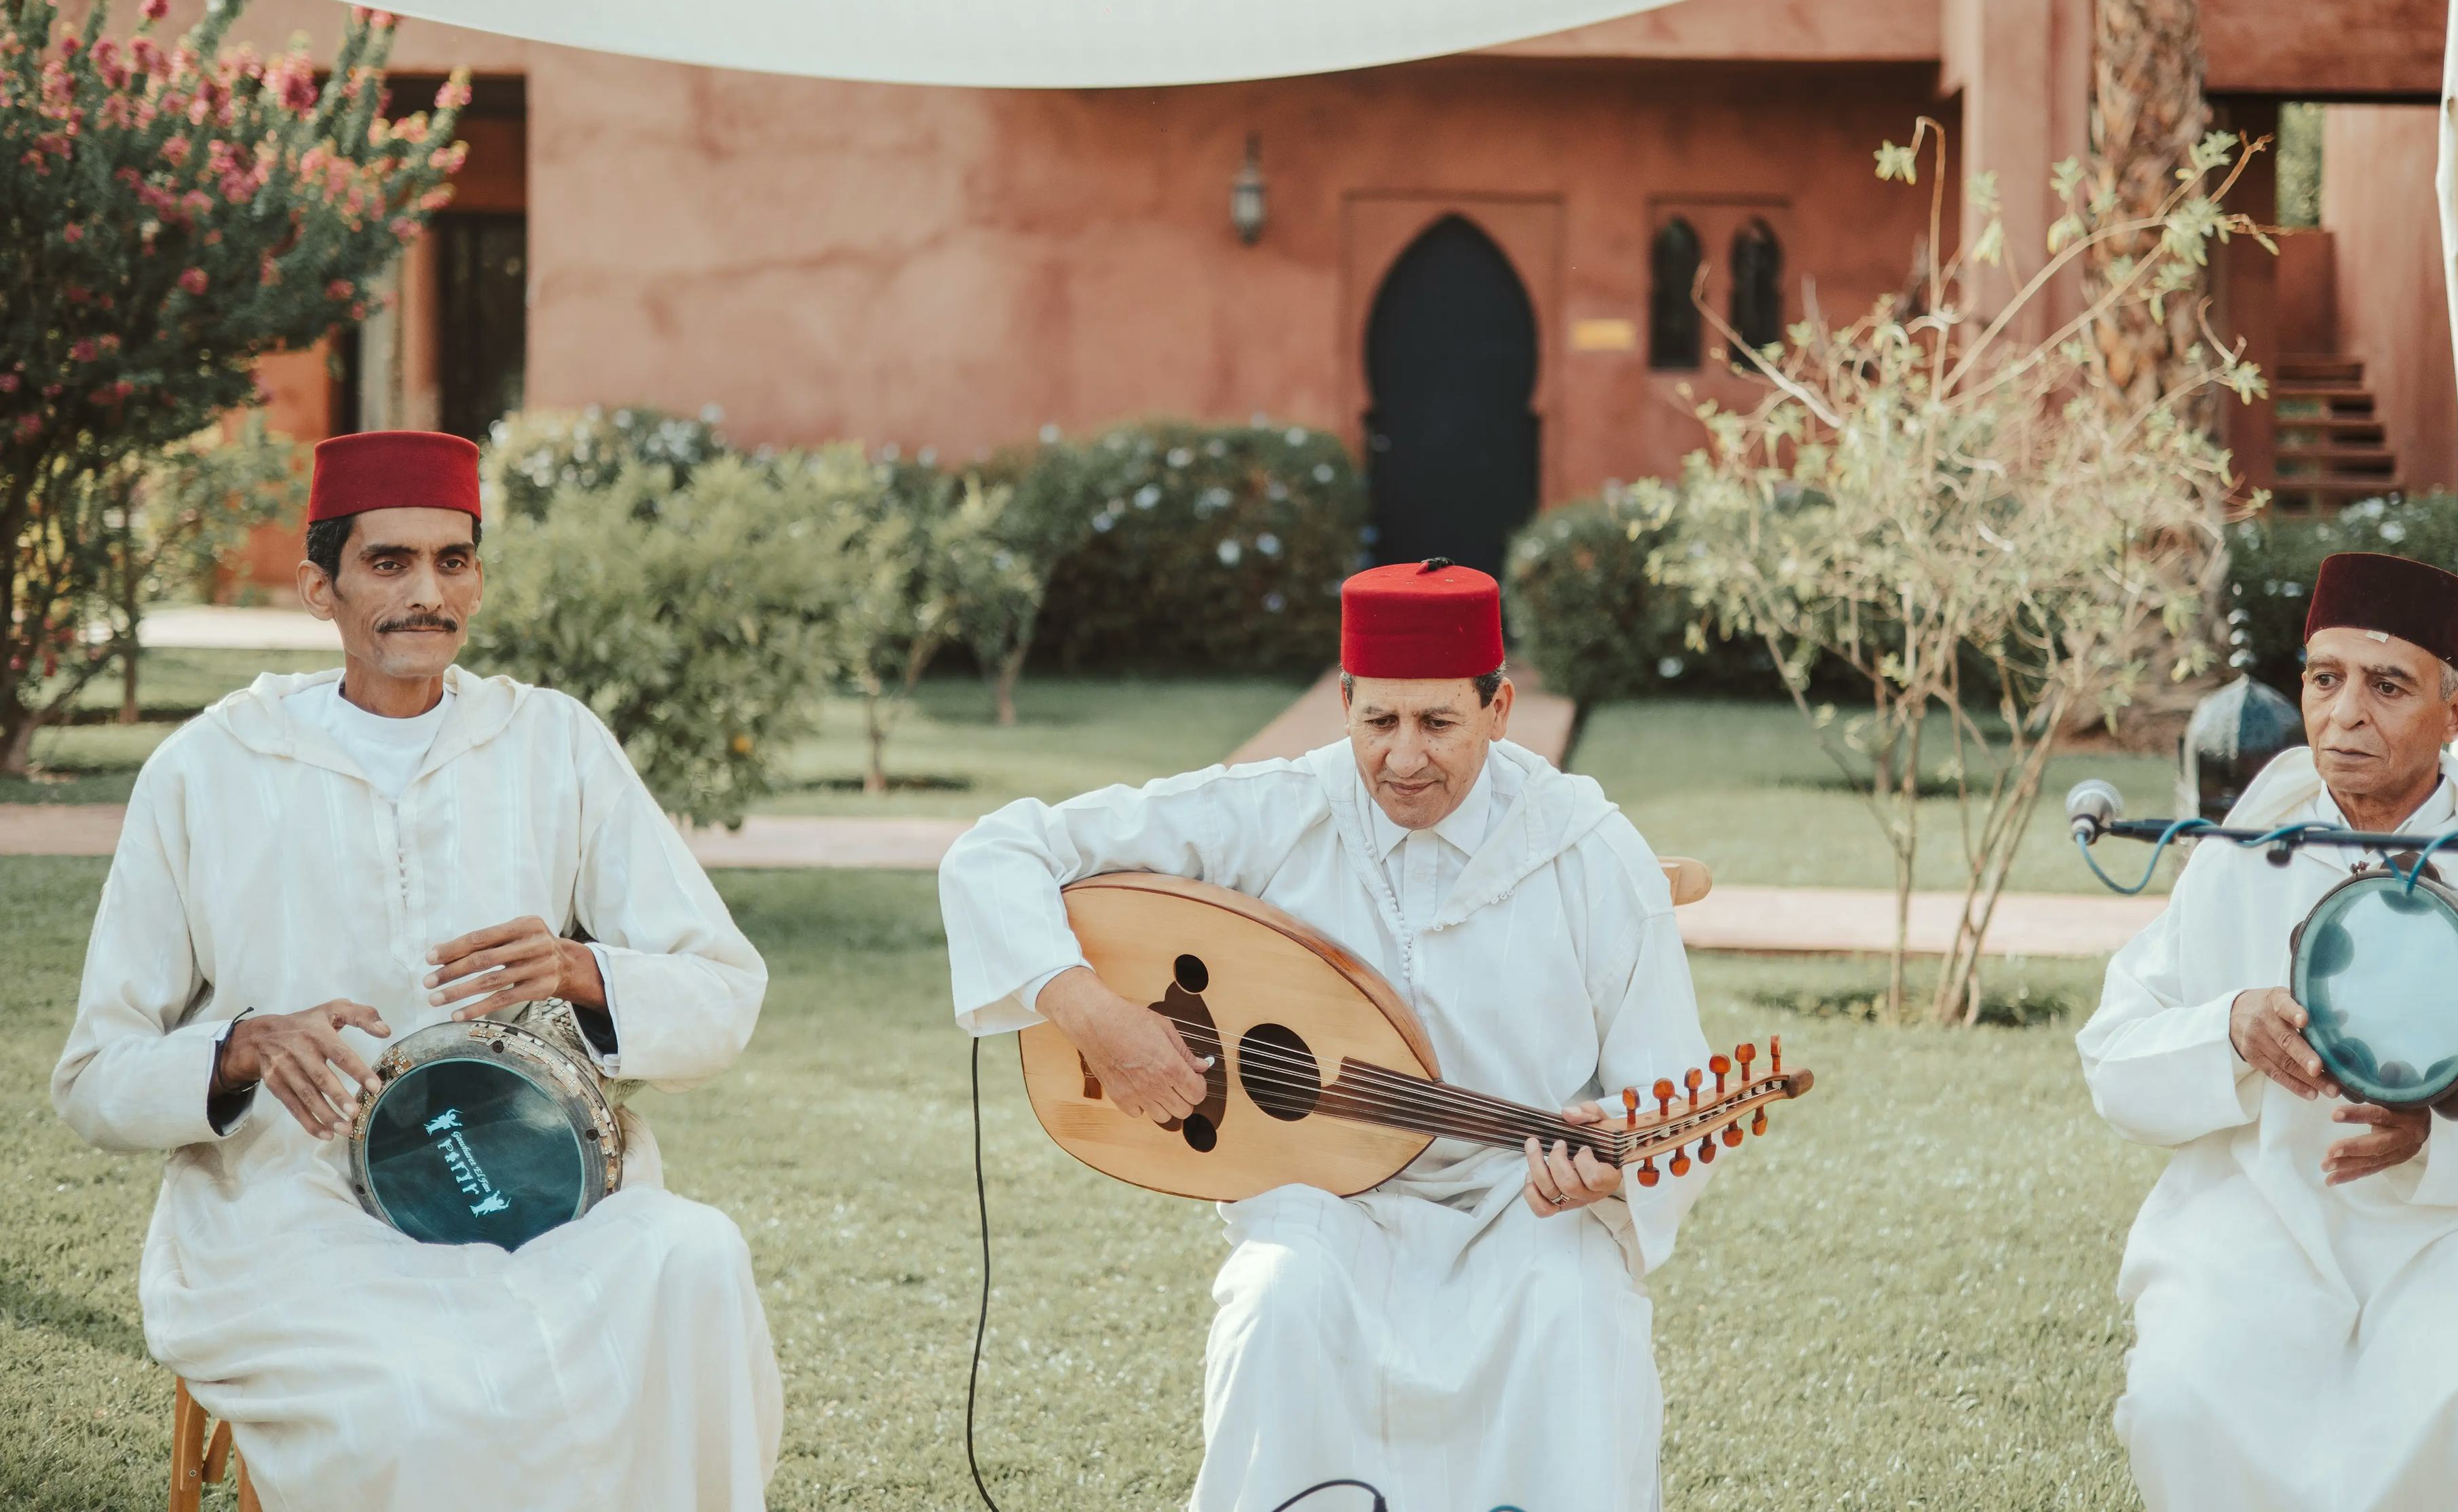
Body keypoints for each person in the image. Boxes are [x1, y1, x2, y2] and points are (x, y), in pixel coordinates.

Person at [54, 430, 782, 1512]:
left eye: (454, 560)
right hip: (295, 1209)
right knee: (423, 1398)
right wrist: (240, 1046)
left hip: (550, 1191)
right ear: (321, 588)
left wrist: (584, 970)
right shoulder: (210, 768)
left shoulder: (554, 745)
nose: (427, 593)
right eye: (389, 563)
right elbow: (93, 1079)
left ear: (478, 579)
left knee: (697, 1261)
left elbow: (725, 992)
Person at [941, 558, 1715, 1511]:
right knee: (1277, 1305)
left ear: (1501, 708)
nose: (1403, 758)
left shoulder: (1589, 851)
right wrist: (1094, 1015)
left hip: (1521, 1205)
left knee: (1577, 1315)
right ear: (1343, 702)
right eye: (1378, 721)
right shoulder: (1277, 810)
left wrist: (1614, 1161)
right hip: (1327, 1202)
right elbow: (999, 849)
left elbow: (1670, 1096)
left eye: (1438, 723)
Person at [2078, 551, 2458, 1510]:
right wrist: (2228, 1030)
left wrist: (2448, 1130)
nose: (2344, 714)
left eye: (2387, 685)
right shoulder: (2239, 857)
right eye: (2325, 680)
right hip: (2267, 1219)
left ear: (2457, 712)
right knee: (2184, 1396)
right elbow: (2114, 1057)